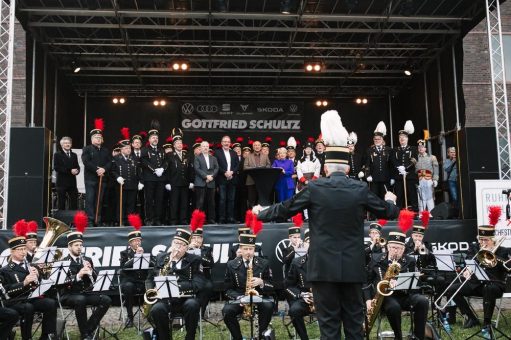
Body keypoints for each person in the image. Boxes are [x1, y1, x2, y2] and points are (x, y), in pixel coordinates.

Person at [253, 110, 399, 339]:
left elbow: (284, 208)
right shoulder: (360, 189)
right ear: (348, 169)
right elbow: (388, 211)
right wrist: (391, 201)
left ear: (326, 168)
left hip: (322, 269)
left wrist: (261, 213)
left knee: (328, 328)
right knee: (354, 325)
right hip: (352, 268)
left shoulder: (314, 188)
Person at [444, 207, 509, 337]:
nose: (483, 243)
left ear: (493, 240)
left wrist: (495, 257)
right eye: (481, 240)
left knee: (488, 289)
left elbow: (508, 267)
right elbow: (468, 262)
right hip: (476, 284)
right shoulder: (474, 248)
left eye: (486, 240)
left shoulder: (503, 250)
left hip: (495, 284)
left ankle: (486, 324)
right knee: (452, 290)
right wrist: (466, 270)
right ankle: (471, 317)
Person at [365, 231, 429, 340]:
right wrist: (368, 299)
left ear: (403, 249)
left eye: (399, 248)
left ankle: (419, 336)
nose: (396, 250)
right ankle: (398, 337)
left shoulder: (410, 261)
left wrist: (400, 283)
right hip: (385, 297)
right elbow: (366, 281)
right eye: (393, 247)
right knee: (393, 307)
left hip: (405, 295)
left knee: (423, 301)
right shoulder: (376, 259)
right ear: (388, 247)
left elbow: (416, 284)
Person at [0, 221, 58, 340]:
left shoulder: (31, 265)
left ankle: (47, 335)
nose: (23, 252)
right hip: (15, 301)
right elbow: (6, 292)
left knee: (51, 303)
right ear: (12, 252)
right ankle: (27, 337)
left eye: (24, 249)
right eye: (19, 250)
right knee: (28, 308)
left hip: (31, 298)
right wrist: (24, 283)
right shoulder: (5, 270)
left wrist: (39, 278)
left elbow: (40, 286)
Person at [145, 228, 203, 340]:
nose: (177, 247)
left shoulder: (195, 260)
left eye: (181, 244)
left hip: (185, 298)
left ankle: (190, 337)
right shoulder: (161, 257)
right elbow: (150, 278)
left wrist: (175, 286)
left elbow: (198, 283)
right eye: (176, 243)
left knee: (193, 305)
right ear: (171, 243)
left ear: (186, 247)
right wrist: (150, 291)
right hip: (164, 299)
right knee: (157, 310)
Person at [59, 215, 112, 340]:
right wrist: (78, 275)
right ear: (69, 247)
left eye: (80, 245)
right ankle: (85, 334)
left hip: (86, 293)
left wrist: (91, 270)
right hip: (69, 295)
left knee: (106, 300)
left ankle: (88, 329)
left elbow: (96, 279)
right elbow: (60, 283)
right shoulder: (63, 262)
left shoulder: (87, 259)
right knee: (80, 300)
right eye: (76, 245)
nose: (79, 247)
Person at [222, 232, 274, 340]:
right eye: (245, 249)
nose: (248, 252)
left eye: (251, 249)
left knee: (269, 307)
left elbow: (272, 286)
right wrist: (239, 298)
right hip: (240, 298)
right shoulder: (231, 264)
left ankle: (260, 336)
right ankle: (238, 337)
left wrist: (261, 282)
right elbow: (227, 289)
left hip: (259, 297)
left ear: (254, 249)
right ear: (240, 249)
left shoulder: (264, 263)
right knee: (227, 311)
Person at [119, 220, 152, 328]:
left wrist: (144, 256)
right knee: (128, 287)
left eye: (139, 240)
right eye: (135, 241)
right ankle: (130, 316)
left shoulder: (145, 252)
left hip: (142, 281)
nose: (138, 242)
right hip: (129, 281)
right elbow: (124, 267)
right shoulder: (124, 253)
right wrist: (135, 257)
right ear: (130, 243)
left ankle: (149, 314)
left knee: (152, 286)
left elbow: (154, 265)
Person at [82, 118, 111, 225]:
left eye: (100, 137)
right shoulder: (87, 149)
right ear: (92, 139)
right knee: (90, 199)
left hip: (102, 179)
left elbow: (109, 162)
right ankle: (89, 219)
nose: (98, 139)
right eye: (96, 137)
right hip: (90, 179)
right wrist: (97, 170)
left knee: (100, 200)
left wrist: (104, 169)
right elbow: (86, 162)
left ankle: (97, 219)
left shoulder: (105, 150)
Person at [285, 229, 312, 340]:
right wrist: (302, 295)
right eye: (309, 241)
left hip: (325, 298)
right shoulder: (296, 262)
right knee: (294, 311)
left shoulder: (329, 261)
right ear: (305, 244)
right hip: (305, 297)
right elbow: (288, 285)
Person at [111, 132, 142, 225]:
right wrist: (117, 177)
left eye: (129, 148)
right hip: (121, 186)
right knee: (121, 204)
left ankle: (130, 221)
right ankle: (121, 220)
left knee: (131, 204)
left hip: (132, 185)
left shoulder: (135, 158)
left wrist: (141, 181)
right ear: (121, 150)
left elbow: (139, 171)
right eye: (126, 148)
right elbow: (112, 170)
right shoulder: (116, 158)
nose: (128, 150)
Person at [140, 123, 168, 226]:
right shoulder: (145, 149)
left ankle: (157, 219)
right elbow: (144, 161)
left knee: (159, 200)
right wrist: (154, 170)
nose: (155, 139)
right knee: (149, 200)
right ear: (149, 139)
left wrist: (162, 169)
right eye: (153, 137)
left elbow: (166, 161)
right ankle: (149, 219)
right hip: (149, 179)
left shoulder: (161, 149)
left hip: (160, 179)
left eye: (156, 137)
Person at [391, 120, 419, 211]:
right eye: (400, 137)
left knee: (412, 194)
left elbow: (414, 160)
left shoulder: (413, 149)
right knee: (399, 194)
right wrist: (399, 168)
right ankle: (399, 212)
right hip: (399, 176)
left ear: (407, 138)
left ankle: (415, 211)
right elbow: (393, 160)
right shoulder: (395, 149)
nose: (402, 139)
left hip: (410, 175)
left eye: (403, 137)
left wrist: (406, 168)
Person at [188, 226, 214, 316]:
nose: (196, 240)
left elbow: (211, 264)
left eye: (198, 237)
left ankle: (201, 312)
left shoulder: (207, 249)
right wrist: (188, 249)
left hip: (204, 277)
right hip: (188, 277)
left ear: (202, 238)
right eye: (193, 238)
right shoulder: (186, 249)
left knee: (208, 287)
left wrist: (199, 252)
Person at [167, 130, 192, 225]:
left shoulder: (186, 155)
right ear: (174, 145)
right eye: (177, 143)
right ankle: (173, 220)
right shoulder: (170, 155)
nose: (179, 145)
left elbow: (190, 169)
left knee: (184, 203)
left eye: (180, 143)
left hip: (185, 183)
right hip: (174, 183)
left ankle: (183, 220)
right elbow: (167, 169)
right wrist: (167, 182)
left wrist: (191, 181)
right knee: (174, 203)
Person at [364, 121, 393, 201]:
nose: (377, 140)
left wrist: (392, 177)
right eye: (375, 139)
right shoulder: (369, 150)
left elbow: (391, 165)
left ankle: (385, 213)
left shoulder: (388, 150)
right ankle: (374, 214)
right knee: (374, 198)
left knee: (386, 197)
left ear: (382, 139)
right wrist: (367, 175)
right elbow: (367, 164)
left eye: (379, 139)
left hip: (385, 178)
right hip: (374, 179)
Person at [214, 135, 240, 224]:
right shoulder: (217, 153)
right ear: (221, 143)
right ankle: (221, 218)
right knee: (222, 199)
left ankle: (230, 218)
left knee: (231, 199)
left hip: (232, 179)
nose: (226, 143)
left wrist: (232, 172)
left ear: (230, 143)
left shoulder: (234, 153)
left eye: (228, 142)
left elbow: (237, 165)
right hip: (222, 179)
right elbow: (216, 165)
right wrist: (224, 172)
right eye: (225, 141)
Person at [194, 141, 219, 224]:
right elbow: (197, 169)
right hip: (200, 183)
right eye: (203, 146)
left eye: (207, 146)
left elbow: (216, 168)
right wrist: (206, 176)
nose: (205, 148)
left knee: (211, 202)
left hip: (211, 183)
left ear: (209, 148)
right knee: (200, 203)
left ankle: (211, 219)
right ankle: (199, 220)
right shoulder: (197, 157)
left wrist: (211, 176)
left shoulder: (213, 158)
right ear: (200, 148)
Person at [54, 136, 80, 210]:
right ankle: (61, 220)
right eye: (65, 143)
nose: (67, 144)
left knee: (74, 202)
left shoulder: (74, 155)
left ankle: (73, 220)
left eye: (69, 143)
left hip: (72, 183)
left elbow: (77, 166)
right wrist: (70, 171)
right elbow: (57, 168)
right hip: (61, 183)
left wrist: (77, 171)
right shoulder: (57, 154)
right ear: (62, 145)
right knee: (61, 203)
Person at [244, 141, 271, 208]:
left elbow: (269, 165)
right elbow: (245, 167)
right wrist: (255, 168)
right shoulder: (248, 156)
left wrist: (262, 169)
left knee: (261, 200)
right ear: (253, 147)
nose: (257, 146)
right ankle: (251, 215)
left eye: (258, 145)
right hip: (251, 181)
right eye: (255, 145)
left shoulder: (265, 156)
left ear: (261, 147)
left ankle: (261, 216)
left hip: (262, 181)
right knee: (251, 200)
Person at [416, 140, 439, 213]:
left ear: (425, 148)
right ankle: (421, 213)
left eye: (422, 147)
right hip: (419, 179)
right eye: (419, 147)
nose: (420, 148)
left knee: (430, 197)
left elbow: (436, 169)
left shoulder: (432, 157)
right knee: (420, 197)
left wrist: (435, 179)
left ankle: (431, 213)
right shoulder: (415, 158)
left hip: (429, 179)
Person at [444, 147, 458, 213]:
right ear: (448, 153)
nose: (453, 153)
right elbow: (447, 169)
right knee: (454, 197)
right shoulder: (447, 161)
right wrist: (453, 162)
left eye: (454, 152)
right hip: (452, 180)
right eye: (451, 152)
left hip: (460, 180)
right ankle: (456, 212)